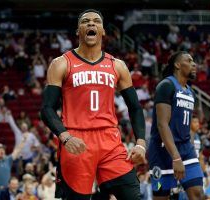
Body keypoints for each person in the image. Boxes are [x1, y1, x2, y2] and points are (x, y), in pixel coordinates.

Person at [40, 9, 146, 200]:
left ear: (103, 31)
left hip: (110, 141)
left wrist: (140, 144)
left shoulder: (117, 65)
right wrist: (65, 137)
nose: (91, 24)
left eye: (96, 21)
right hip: (76, 140)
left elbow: (135, 107)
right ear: (78, 31)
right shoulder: (61, 63)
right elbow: (47, 109)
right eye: (85, 21)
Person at [148, 51, 204, 199]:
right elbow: (162, 124)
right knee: (162, 196)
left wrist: (190, 148)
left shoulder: (191, 92)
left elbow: (187, 126)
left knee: (198, 193)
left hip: (185, 149)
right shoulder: (166, 85)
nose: (194, 64)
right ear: (177, 64)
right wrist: (176, 158)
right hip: (162, 151)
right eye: (190, 61)